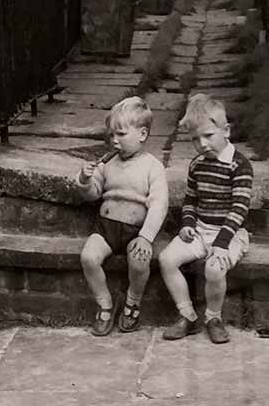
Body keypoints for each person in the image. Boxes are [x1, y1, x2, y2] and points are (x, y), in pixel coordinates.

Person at [159, 93, 253, 344]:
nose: (202, 144)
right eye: (194, 139)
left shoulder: (239, 165)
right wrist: (188, 225)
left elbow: (239, 207)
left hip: (230, 235)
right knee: (167, 259)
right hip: (200, 230)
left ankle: (213, 317)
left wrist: (222, 243)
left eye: (208, 136)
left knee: (214, 268)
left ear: (226, 131)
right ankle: (187, 315)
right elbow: (191, 200)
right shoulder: (197, 165)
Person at [75, 96, 169, 336]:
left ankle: (132, 301)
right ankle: (105, 303)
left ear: (142, 134)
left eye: (121, 135)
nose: (114, 141)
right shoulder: (107, 164)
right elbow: (93, 194)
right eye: (111, 135)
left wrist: (146, 237)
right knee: (88, 257)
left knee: (139, 262)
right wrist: (85, 179)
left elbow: (159, 205)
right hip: (106, 227)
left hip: (136, 231)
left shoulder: (152, 167)